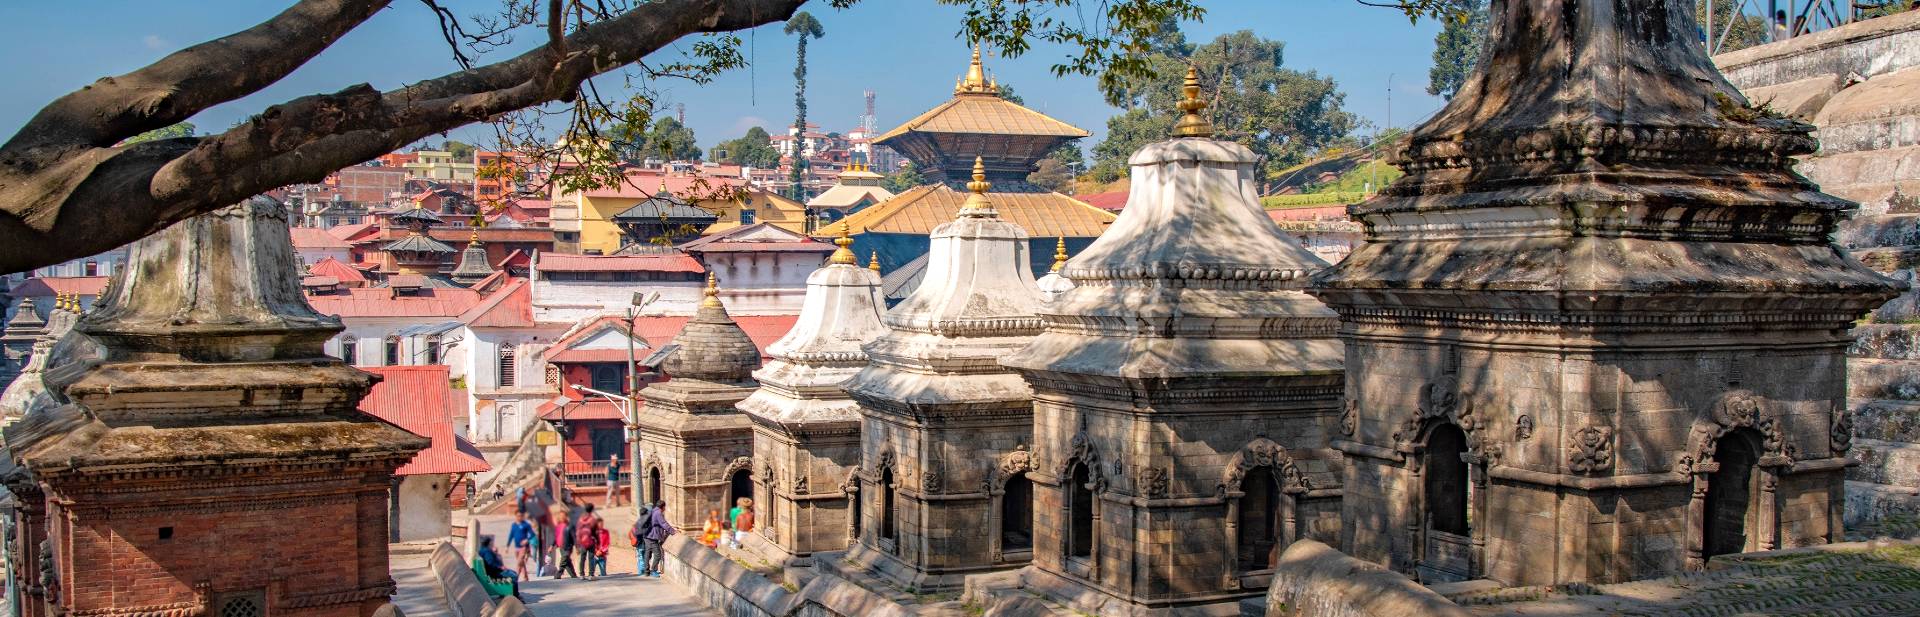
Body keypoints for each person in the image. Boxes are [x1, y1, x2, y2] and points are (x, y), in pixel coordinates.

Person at [642, 500, 676, 577]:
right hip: (652, 536)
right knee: (658, 554)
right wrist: (673, 531)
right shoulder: (658, 513)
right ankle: (653, 570)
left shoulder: (652, 511)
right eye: (665, 507)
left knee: (647, 553)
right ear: (663, 507)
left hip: (646, 535)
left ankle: (646, 571)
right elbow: (664, 524)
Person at [575, 503, 603, 581]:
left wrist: (577, 543)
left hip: (582, 541)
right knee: (591, 558)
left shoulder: (580, 519)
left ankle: (581, 574)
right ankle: (591, 574)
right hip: (590, 541)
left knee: (582, 558)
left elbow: (577, 531)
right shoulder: (592, 520)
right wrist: (598, 542)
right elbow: (596, 532)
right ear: (592, 510)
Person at [506, 510, 535, 582]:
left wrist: (526, 540)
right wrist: (507, 546)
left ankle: (515, 578)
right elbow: (511, 535)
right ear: (515, 516)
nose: (519, 517)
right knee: (521, 562)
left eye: (521, 516)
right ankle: (525, 578)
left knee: (519, 562)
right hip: (516, 547)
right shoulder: (514, 525)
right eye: (518, 516)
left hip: (524, 547)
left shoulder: (526, 525)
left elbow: (532, 534)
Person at [552, 506, 578, 579]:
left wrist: (576, 546)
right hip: (561, 546)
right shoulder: (558, 527)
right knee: (567, 561)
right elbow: (555, 537)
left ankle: (558, 574)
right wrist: (552, 545)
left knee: (564, 559)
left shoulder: (570, 526)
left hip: (568, 546)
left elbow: (574, 537)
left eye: (564, 516)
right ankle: (573, 575)